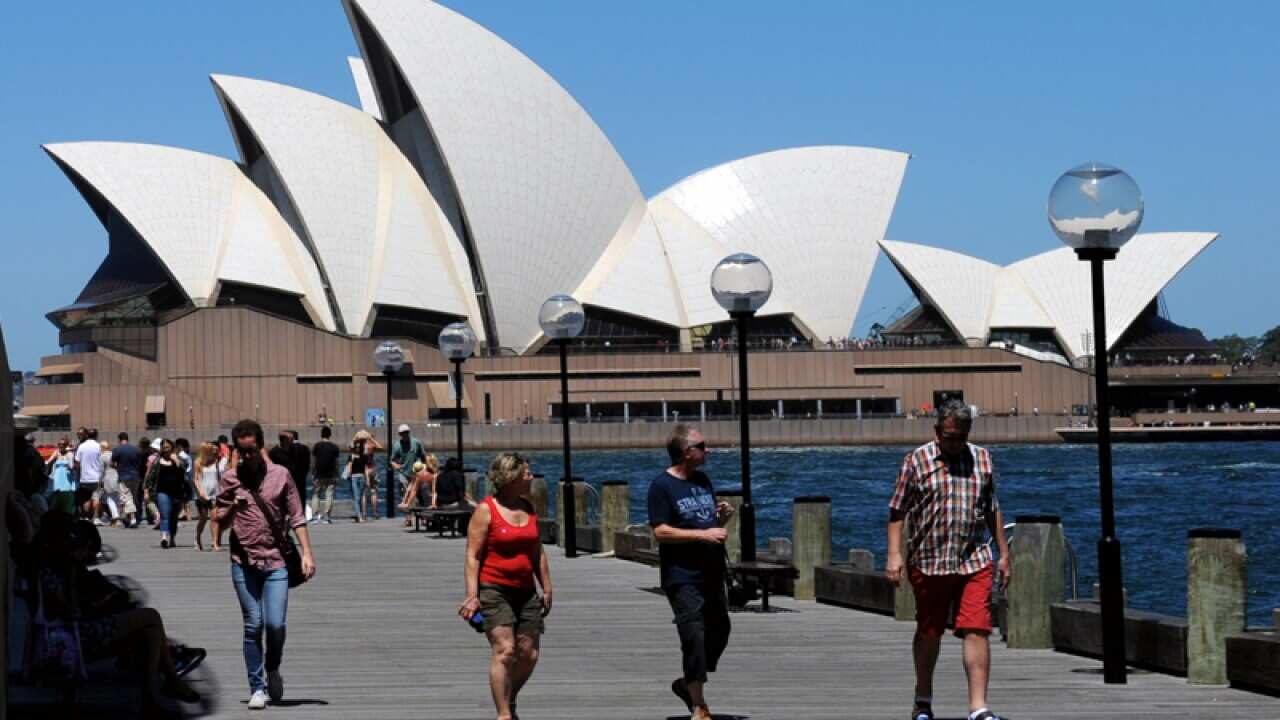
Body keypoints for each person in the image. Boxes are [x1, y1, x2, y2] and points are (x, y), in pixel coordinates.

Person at [885, 400, 1011, 720]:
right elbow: (897, 511)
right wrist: (894, 554)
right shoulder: (917, 461)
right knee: (930, 630)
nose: (953, 443)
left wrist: (1003, 554)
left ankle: (978, 707)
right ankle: (923, 698)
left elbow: (992, 509)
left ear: (969, 432)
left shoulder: (982, 460)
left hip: (973, 558)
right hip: (929, 559)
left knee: (977, 628)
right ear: (937, 431)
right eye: (947, 435)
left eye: (959, 436)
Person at [215, 419, 317, 709]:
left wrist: (307, 553)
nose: (247, 456)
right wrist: (233, 507)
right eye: (241, 451)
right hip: (243, 561)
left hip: (276, 561)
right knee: (253, 624)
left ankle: (273, 666)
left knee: (275, 624)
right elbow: (218, 522)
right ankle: (256, 687)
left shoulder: (280, 475)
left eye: (251, 450)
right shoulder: (230, 480)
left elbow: (297, 516)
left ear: (260, 447)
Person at [648, 424, 734, 720]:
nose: (707, 450)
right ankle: (699, 704)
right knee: (693, 634)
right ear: (687, 453)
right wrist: (703, 535)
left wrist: (721, 520)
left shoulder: (702, 481)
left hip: (711, 571)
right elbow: (660, 531)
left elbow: (708, 526)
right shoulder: (662, 486)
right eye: (702, 445)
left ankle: (687, 682)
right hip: (682, 575)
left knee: (720, 630)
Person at [459, 453, 551, 720]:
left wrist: (547, 586)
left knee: (529, 653)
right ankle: (503, 715)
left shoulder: (529, 506)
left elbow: (537, 550)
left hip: (526, 589)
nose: (531, 477)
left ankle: (508, 696)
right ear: (512, 477)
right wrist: (472, 595)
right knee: (505, 649)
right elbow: (473, 555)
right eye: (527, 473)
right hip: (493, 588)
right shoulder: (486, 510)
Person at [146, 439, 188, 549]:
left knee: (173, 517)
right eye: (164, 448)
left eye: (168, 447)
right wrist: (146, 490)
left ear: (172, 448)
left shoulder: (179, 459)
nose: (166, 450)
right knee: (164, 516)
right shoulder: (157, 461)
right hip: (162, 492)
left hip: (177, 492)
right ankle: (164, 537)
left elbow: (184, 472)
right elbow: (151, 477)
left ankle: (172, 538)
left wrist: (176, 461)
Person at [112, 432, 145, 529]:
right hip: (135, 476)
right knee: (133, 496)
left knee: (127, 497)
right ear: (127, 438)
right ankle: (132, 517)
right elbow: (140, 463)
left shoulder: (117, 450)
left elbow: (112, 463)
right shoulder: (136, 449)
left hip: (123, 476)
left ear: (119, 439)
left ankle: (133, 518)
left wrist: (117, 467)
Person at [309, 426, 340, 524]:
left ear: (321, 434)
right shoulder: (334, 447)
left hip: (318, 474)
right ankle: (327, 516)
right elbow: (337, 463)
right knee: (329, 494)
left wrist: (313, 472)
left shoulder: (317, 446)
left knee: (316, 494)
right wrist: (337, 473)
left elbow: (314, 461)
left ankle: (315, 516)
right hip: (331, 474)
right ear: (330, 435)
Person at [193, 442, 221, 551]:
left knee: (215, 518)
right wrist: (200, 492)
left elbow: (219, 477)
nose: (215, 452)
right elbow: (195, 479)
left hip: (215, 493)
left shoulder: (216, 462)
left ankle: (214, 542)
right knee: (203, 518)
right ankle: (198, 537)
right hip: (202, 494)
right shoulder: (198, 462)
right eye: (212, 450)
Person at [389, 423, 426, 502]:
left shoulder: (417, 443)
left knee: (416, 496)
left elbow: (423, 456)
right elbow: (391, 460)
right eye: (403, 433)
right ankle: (408, 513)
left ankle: (416, 511)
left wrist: (425, 468)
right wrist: (395, 465)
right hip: (403, 473)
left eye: (406, 432)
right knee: (406, 495)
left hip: (416, 473)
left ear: (409, 432)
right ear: (399, 434)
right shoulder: (396, 445)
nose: (405, 434)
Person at [74, 427, 103, 519]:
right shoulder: (99, 446)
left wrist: (78, 474)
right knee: (96, 497)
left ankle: (86, 517)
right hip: (96, 477)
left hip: (84, 477)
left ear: (87, 435)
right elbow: (101, 461)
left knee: (86, 498)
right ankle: (96, 518)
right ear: (96, 435)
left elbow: (77, 463)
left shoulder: (81, 446)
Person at [46, 437, 78, 515]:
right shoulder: (57, 452)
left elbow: (71, 466)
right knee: (57, 493)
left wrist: (69, 466)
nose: (60, 446)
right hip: (57, 477)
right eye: (59, 444)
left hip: (66, 477)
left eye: (62, 444)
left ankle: (67, 512)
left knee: (66, 493)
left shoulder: (70, 454)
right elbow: (48, 461)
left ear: (66, 445)